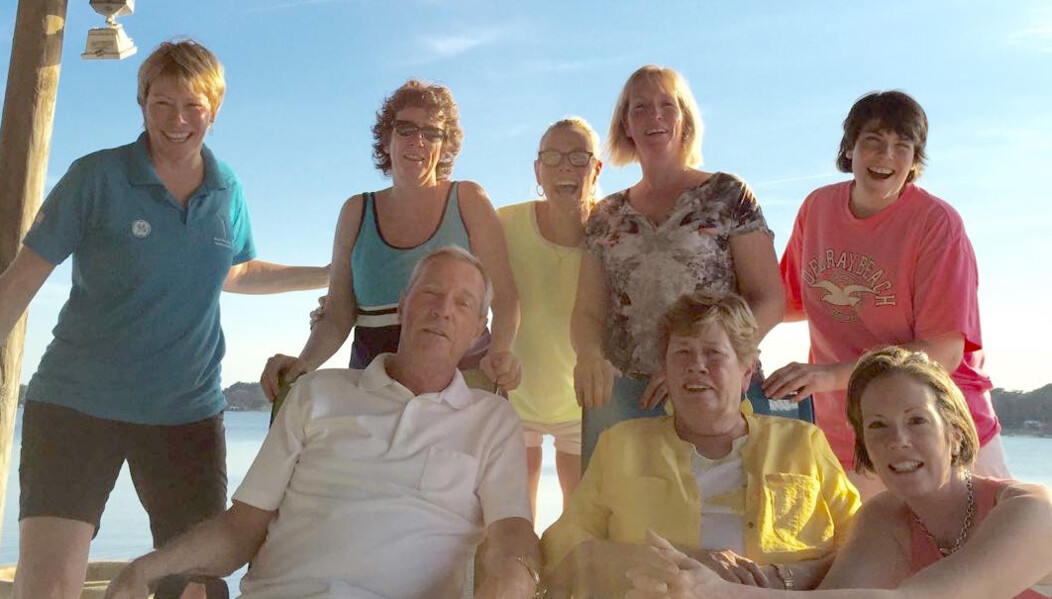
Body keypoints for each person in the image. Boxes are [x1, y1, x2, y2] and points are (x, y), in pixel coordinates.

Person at [0, 40, 329, 599]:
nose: (177, 121)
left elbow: (237, 270)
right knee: (48, 586)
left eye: (193, 106)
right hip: (77, 405)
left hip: (186, 416)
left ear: (215, 109)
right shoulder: (96, 177)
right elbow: (22, 279)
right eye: (162, 104)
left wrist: (330, 273)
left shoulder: (227, 191)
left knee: (195, 588)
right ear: (142, 103)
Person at [104, 247, 541, 599]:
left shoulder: (491, 420)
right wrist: (146, 569)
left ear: (478, 329)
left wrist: (515, 579)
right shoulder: (317, 394)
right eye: (430, 294)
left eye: (462, 303)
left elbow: (512, 533)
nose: (443, 310)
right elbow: (241, 530)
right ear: (403, 306)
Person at [626, 347, 1052, 599]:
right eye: (878, 426)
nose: (896, 440)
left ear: (956, 433)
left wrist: (723, 592)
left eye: (917, 421)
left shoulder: (1031, 511)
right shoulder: (886, 519)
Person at [764, 91, 1008, 499]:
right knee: (873, 556)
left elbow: (943, 353)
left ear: (915, 160)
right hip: (849, 435)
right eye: (873, 141)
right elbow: (781, 299)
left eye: (902, 146)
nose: (886, 156)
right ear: (850, 149)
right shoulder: (817, 208)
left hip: (937, 427)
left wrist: (831, 375)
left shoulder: (936, 224)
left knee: (999, 553)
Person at [542, 292, 859, 598]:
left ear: (746, 371)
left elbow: (869, 539)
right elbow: (562, 544)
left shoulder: (802, 443)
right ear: (665, 369)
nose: (696, 365)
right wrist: (665, 561)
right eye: (682, 353)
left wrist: (786, 577)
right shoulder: (622, 445)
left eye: (713, 353)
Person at [572, 65, 783, 467]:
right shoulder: (605, 214)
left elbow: (769, 299)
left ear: (684, 119)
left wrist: (691, 366)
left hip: (716, 395)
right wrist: (587, 355)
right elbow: (587, 310)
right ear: (626, 126)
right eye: (640, 108)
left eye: (667, 106)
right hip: (629, 399)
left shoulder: (727, 194)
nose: (655, 117)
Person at [259, 79, 520, 399]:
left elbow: (505, 298)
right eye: (406, 129)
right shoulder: (356, 211)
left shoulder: (468, 199)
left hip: (461, 392)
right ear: (386, 139)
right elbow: (339, 313)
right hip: (373, 394)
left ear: (445, 145)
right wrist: (304, 363)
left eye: (432, 132)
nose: (418, 141)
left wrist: (502, 353)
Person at [497, 116, 603, 516]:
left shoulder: (612, 231)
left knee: (578, 523)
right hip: (513, 400)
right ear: (537, 170)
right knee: (516, 518)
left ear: (596, 169)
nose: (564, 166)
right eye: (552, 157)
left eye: (578, 157)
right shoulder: (504, 222)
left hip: (582, 406)